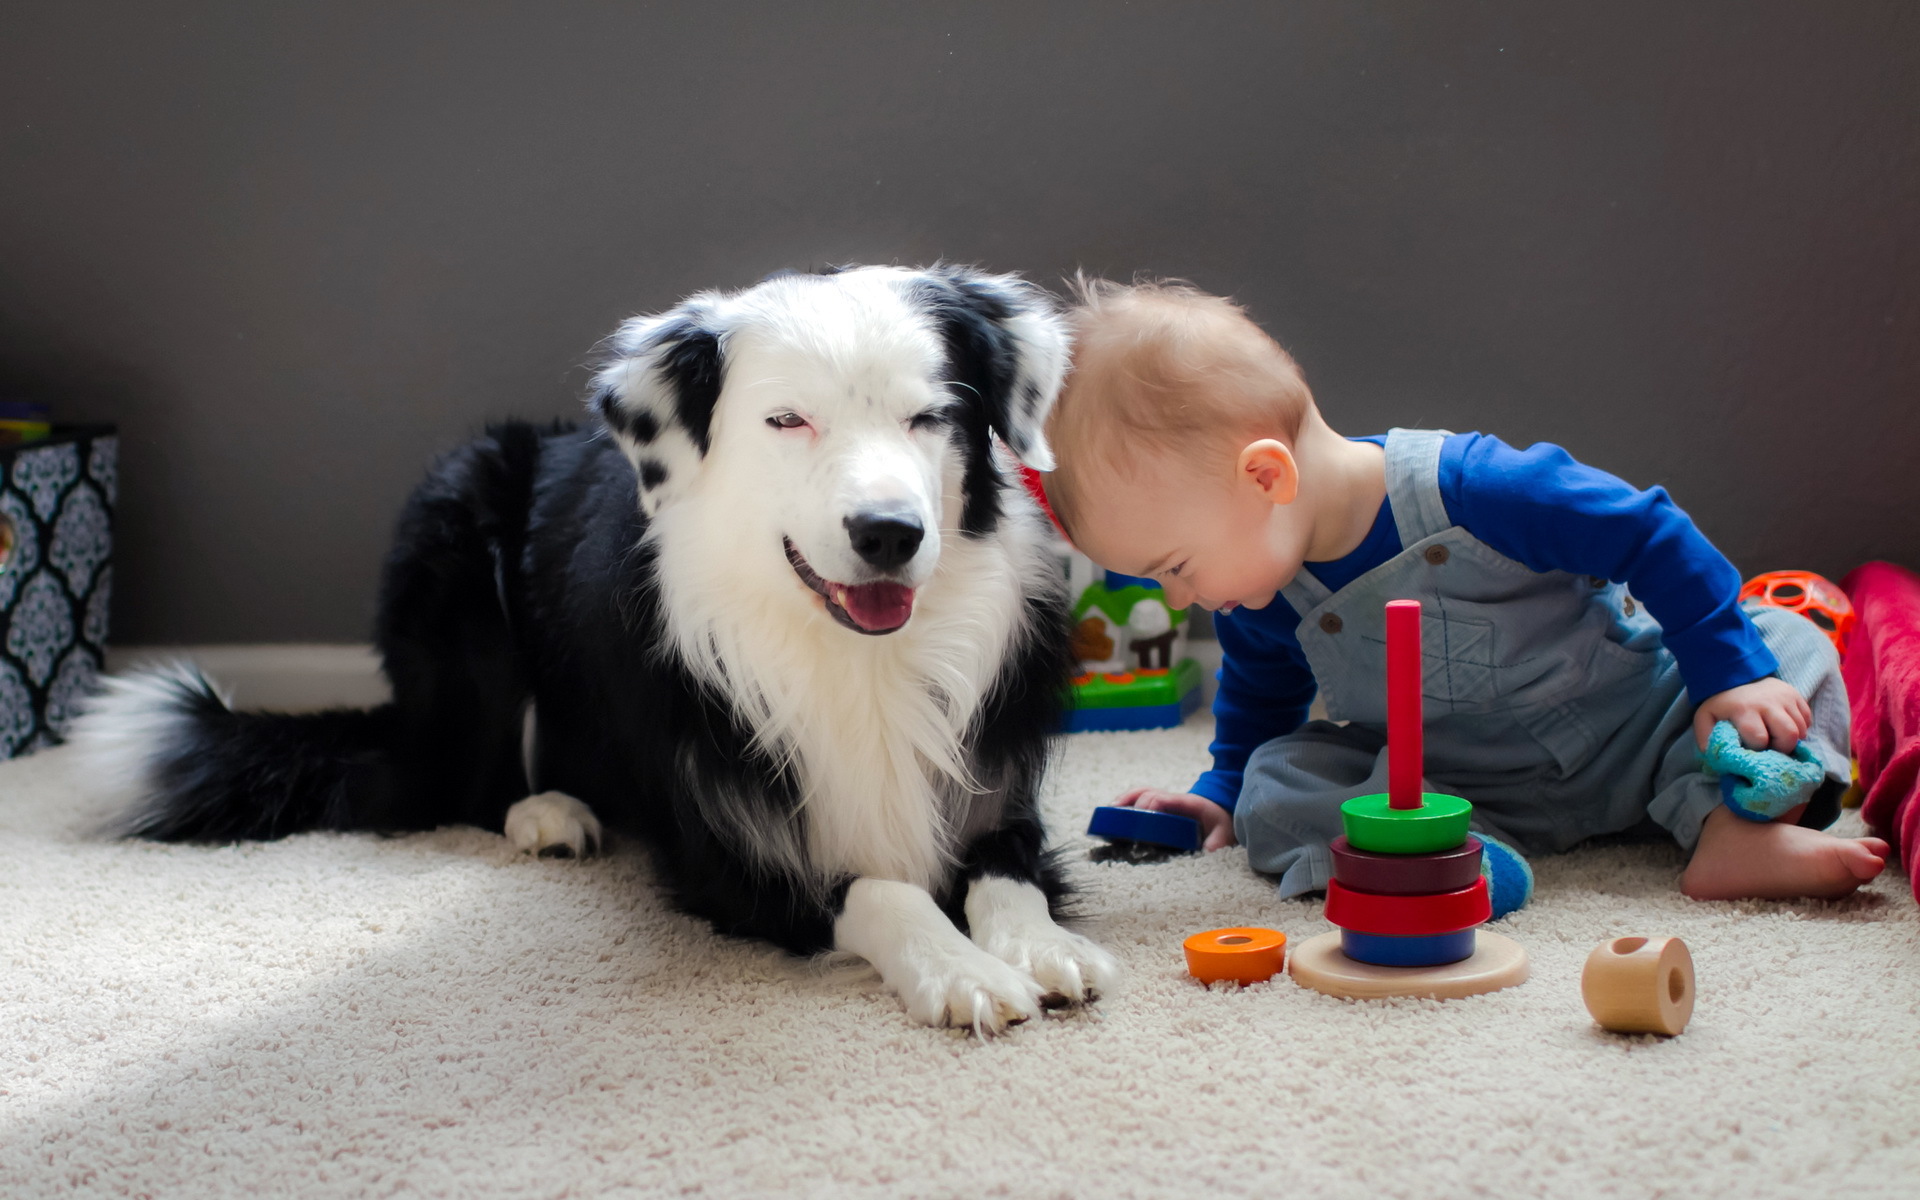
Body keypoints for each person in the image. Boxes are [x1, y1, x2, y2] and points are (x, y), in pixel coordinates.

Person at [1041, 278, 1887, 903]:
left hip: (1640, 725)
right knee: (1279, 779)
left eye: (1175, 566)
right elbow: (1262, 699)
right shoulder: (1266, 595)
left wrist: (1726, 673)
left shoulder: (1477, 487)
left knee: (1784, 642)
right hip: (1450, 790)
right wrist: (1223, 788)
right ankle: (1453, 860)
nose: (1181, 599)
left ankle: (1732, 829)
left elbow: (1648, 532)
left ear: (1265, 476)